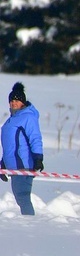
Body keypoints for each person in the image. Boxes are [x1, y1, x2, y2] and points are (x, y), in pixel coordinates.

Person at [1, 82, 44, 215]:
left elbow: (35, 138)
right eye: (12, 100)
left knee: (23, 198)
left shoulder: (28, 117)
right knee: (20, 198)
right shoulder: (11, 120)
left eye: (17, 100)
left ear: (22, 102)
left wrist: (38, 158)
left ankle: (30, 225)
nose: (14, 103)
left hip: (23, 165)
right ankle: (28, 223)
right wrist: (4, 164)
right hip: (13, 166)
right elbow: (10, 145)